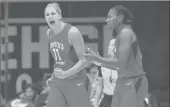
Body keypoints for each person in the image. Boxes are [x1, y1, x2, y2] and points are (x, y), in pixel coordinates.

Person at [83, 5, 148, 107]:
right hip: (114, 92)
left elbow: (121, 64)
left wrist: (98, 59)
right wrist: (99, 62)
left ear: (119, 17)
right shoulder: (121, 35)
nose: (107, 19)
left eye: (110, 17)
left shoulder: (126, 33)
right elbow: (115, 68)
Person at [44, 2, 93, 107]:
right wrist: (54, 76)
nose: (50, 17)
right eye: (47, 15)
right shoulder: (49, 33)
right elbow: (59, 60)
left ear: (60, 15)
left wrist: (66, 74)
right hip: (58, 81)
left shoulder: (72, 32)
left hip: (75, 79)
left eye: (53, 13)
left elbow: (84, 61)